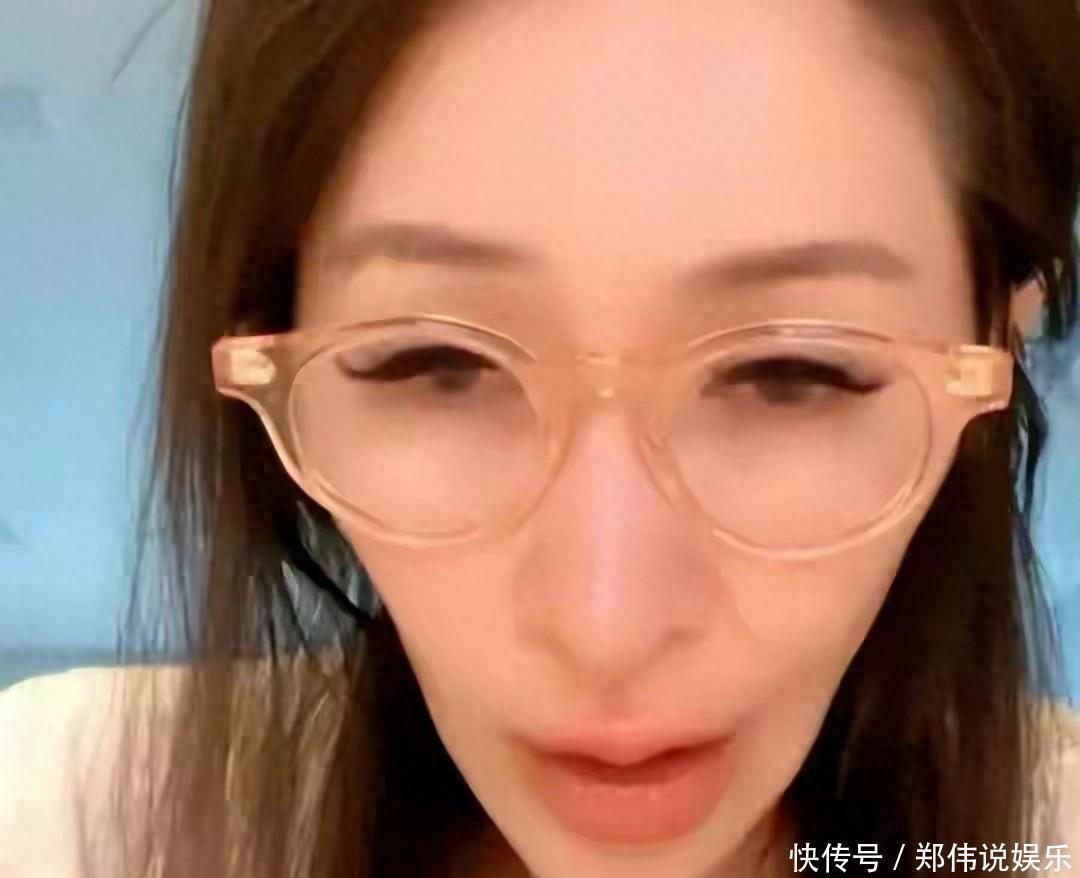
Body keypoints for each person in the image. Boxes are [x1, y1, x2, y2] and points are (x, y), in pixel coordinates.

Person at [2, 1, 1079, 876]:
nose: (605, 626)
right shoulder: (63, 823)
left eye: (791, 370)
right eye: (437, 363)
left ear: (994, 346)